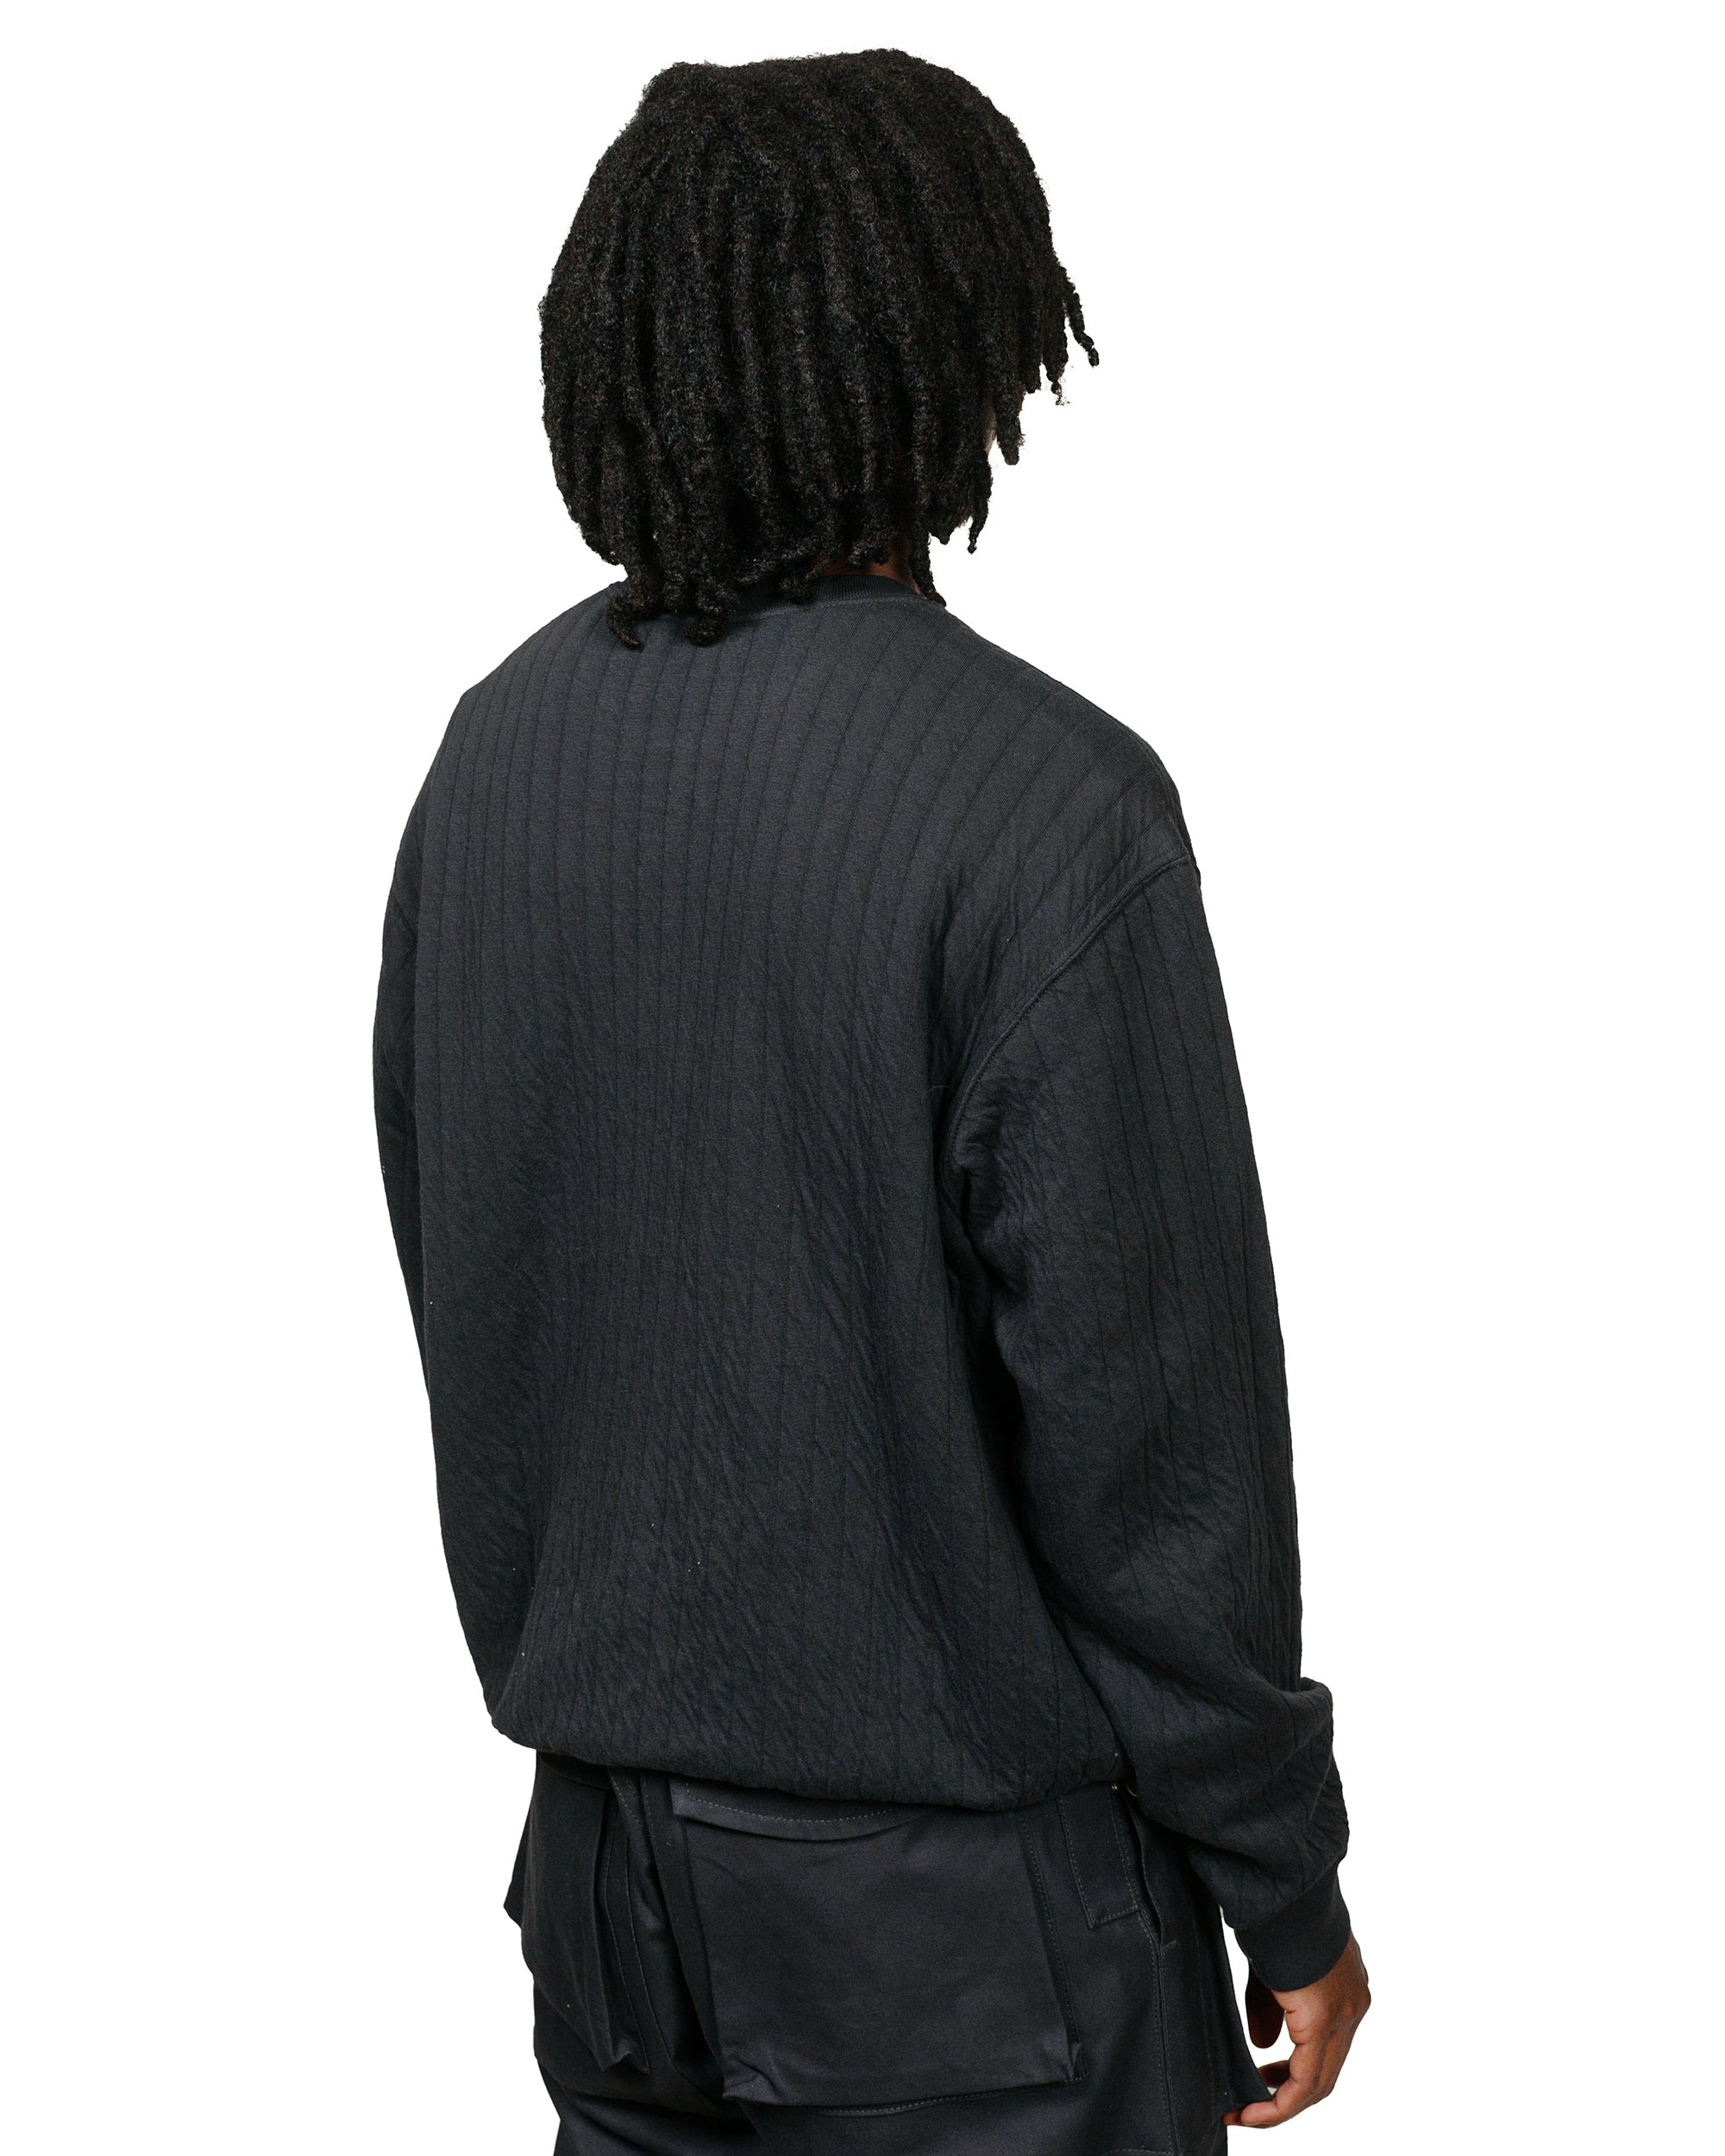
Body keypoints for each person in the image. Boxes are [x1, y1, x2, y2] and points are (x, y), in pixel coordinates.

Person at [374, 47, 1369, 2156]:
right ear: (956, 346)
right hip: (975, 1952)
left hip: (609, 1909)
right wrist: (1281, 1871)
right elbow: (1153, 1452)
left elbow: (469, 1279)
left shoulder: (492, 758)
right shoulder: (1046, 807)